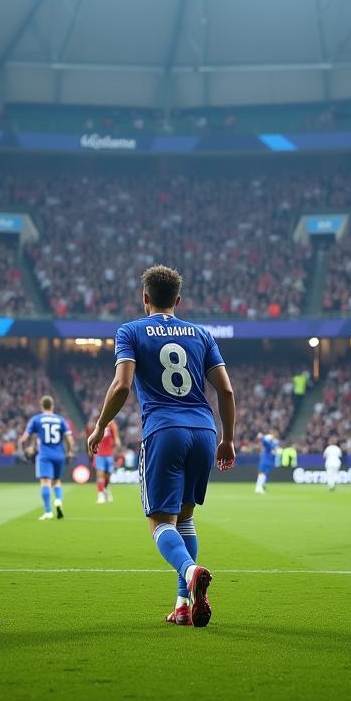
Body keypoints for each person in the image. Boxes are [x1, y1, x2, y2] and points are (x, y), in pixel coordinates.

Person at [88, 264, 236, 628]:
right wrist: (228, 438)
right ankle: (182, 606)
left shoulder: (131, 331)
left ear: (144, 298)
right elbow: (226, 390)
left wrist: (100, 426)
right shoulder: (201, 334)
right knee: (185, 520)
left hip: (163, 431)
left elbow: (122, 387)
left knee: (159, 523)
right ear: (178, 300)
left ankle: (189, 569)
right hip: (203, 431)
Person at [21, 396, 74, 520]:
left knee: (45, 482)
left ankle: (48, 511)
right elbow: (69, 439)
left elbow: (24, 438)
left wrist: (25, 450)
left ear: (41, 406)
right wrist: (70, 452)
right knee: (57, 481)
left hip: (44, 455)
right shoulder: (60, 420)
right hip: (59, 454)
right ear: (52, 406)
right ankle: (59, 500)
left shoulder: (36, 419)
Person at [91, 418, 121, 504]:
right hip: (99, 454)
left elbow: (116, 437)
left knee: (107, 476)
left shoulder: (112, 424)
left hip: (109, 454)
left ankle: (106, 489)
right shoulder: (98, 423)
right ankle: (100, 494)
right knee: (100, 474)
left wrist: (117, 444)